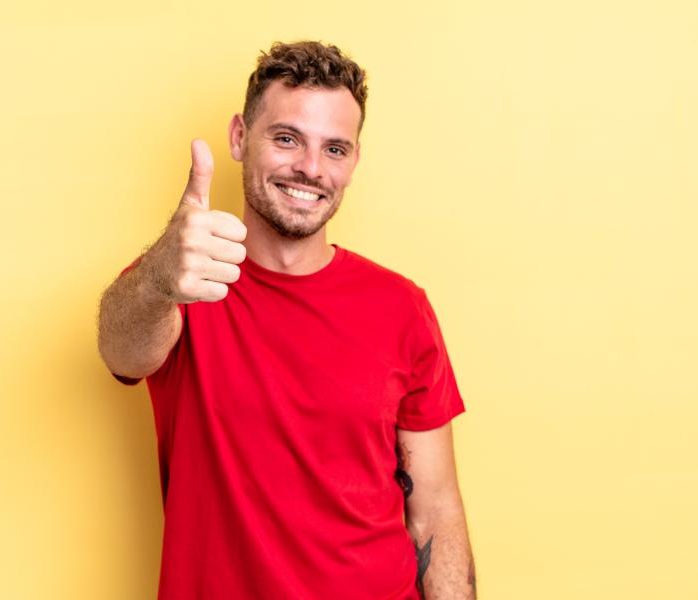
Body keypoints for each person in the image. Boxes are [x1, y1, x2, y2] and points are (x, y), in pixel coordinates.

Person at [97, 40, 476, 600]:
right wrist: (158, 277)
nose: (311, 168)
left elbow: (436, 511)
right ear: (239, 138)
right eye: (286, 138)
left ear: (354, 161)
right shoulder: (181, 281)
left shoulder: (402, 306)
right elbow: (119, 352)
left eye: (336, 149)